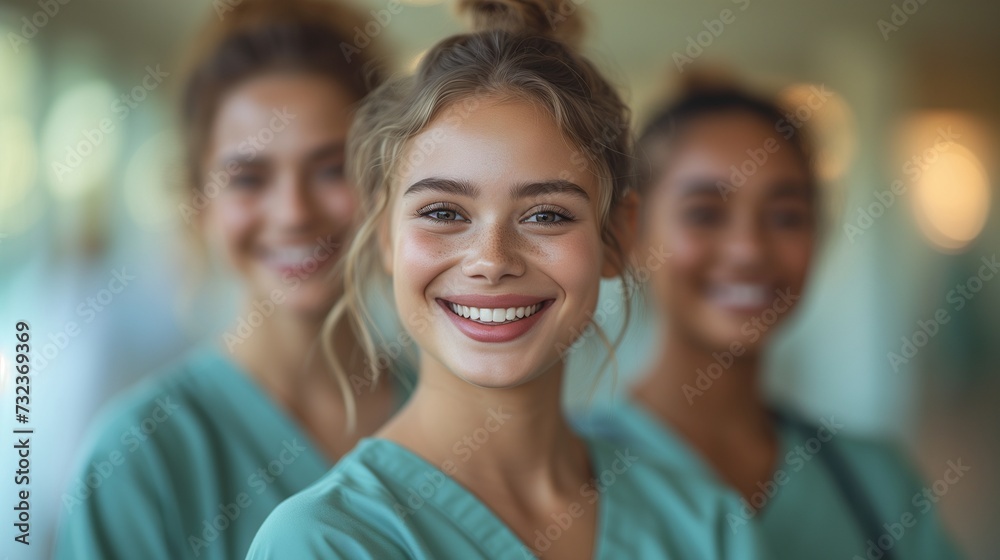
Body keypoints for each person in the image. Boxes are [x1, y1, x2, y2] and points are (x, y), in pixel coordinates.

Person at [246, 2, 770, 559]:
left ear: (618, 235)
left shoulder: (703, 522)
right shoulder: (326, 541)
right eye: (444, 212)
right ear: (382, 236)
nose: (491, 261)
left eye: (546, 215)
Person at [53, 1, 408, 558]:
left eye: (333, 168)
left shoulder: (454, 417)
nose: (293, 212)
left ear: (388, 186)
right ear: (199, 205)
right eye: (249, 178)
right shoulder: (141, 457)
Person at [576, 84, 964, 559]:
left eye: (785, 217)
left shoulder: (876, 483)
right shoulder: (565, 478)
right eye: (705, 214)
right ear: (630, 234)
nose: (749, 250)